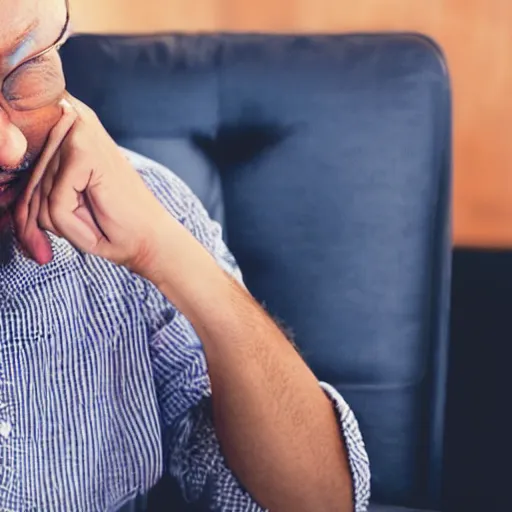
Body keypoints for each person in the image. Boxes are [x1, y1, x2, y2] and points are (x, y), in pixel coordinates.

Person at [0, 0, 371, 510]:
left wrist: (164, 251)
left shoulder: (140, 201)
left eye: (26, 67)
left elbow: (319, 502)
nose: (8, 146)